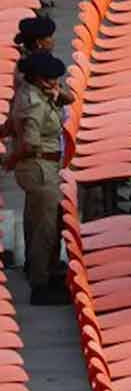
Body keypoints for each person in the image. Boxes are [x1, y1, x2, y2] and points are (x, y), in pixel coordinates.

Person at [8, 54, 70, 305]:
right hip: (39, 166)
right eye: (51, 78)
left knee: (46, 224)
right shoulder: (32, 102)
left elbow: (71, 99)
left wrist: (56, 91)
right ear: (38, 78)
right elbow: (29, 143)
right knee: (44, 229)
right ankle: (40, 285)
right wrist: (8, 161)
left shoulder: (40, 93)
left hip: (46, 164)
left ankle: (46, 271)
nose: (55, 82)